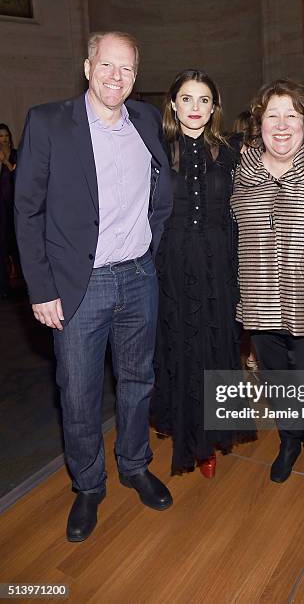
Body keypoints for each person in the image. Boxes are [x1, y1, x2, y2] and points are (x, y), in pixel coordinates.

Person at [14, 31, 173, 542]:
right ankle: (87, 485)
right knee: (78, 393)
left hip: (139, 276)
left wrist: (152, 252)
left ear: (135, 75)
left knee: (137, 381)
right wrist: (40, 289)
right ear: (87, 67)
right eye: (106, 66)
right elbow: (27, 211)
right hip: (80, 286)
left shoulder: (148, 120)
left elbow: (160, 198)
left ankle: (133, 464)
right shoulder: (49, 121)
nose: (115, 77)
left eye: (126, 69)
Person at [231, 79, 304, 494]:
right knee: (276, 381)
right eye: (272, 115)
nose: (281, 124)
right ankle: (289, 441)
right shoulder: (239, 168)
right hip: (258, 300)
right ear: (259, 122)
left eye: (291, 115)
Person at [152, 69, 254, 477]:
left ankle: (210, 439)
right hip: (170, 266)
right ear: (174, 105)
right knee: (180, 349)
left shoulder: (231, 151)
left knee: (216, 349)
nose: (195, 108)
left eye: (204, 100)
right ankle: (186, 432)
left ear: (215, 108)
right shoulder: (156, 151)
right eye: (188, 99)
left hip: (219, 266)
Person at [0, 123, 17, 297]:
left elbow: (16, 175)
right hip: (1, 211)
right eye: (0, 136)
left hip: (14, 207)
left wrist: (5, 160)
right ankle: (4, 288)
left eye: (5, 135)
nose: (3, 139)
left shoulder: (15, 154)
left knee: (17, 247)